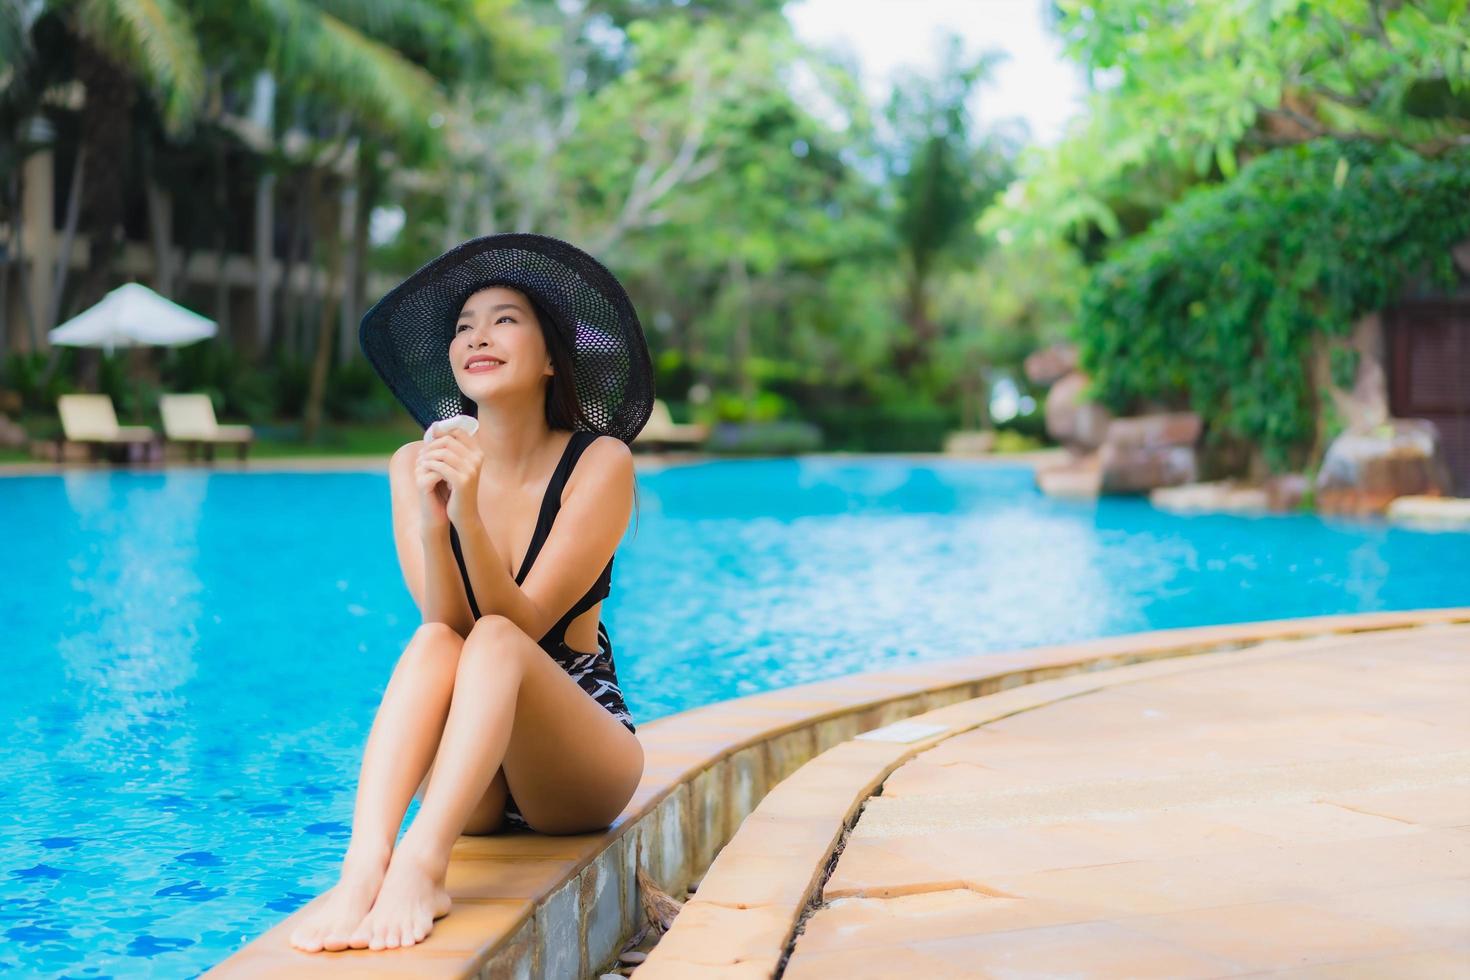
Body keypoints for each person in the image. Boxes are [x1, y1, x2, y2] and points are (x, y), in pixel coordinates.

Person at [289, 233, 656, 953]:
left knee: (495, 640)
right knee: (434, 641)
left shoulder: (599, 462)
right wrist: (435, 523)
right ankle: (366, 864)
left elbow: (518, 624)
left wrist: (470, 515)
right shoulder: (414, 463)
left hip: (575, 751)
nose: (476, 335)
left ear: (552, 358)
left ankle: (423, 866)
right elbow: (446, 621)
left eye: (504, 319)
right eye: (463, 326)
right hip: (473, 767)